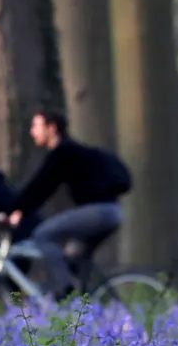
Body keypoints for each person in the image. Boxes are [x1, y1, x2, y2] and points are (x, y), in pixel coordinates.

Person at [8, 109, 132, 301]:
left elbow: (41, 187)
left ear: (52, 128)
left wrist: (18, 209)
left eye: (36, 126)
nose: (32, 132)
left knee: (43, 235)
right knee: (74, 256)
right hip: (112, 212)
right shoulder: (74, 152)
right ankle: (81, 303)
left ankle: (66, 288)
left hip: (97, 212)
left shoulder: (63, 152)